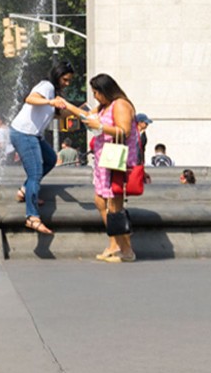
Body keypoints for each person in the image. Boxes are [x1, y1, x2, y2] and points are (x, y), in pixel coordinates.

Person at [78, 72, 138, 263]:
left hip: (116, 160)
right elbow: (87, 115)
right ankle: (115, 244)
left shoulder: (120, 104)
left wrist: (100, 127)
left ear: (106, 91)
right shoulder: (105, 106)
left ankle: (126, 250)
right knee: (101, 201)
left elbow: (124, 130)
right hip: (106, 160)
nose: (95, 96)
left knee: (114, 205)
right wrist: (62, 104)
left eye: (96, 92)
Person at [9, 62, 75, 236]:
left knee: (51, 159)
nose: (67, 83)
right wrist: (50, 101)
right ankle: (32, 216)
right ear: (58, 75)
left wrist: (80, 113)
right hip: (24, 133)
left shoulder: (53, 92)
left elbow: (57, 114)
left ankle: (25, 190)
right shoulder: (46, 86)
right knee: (35, 174)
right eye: (65, 79)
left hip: (34, 135)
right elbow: (30, 99)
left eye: (69, 81)